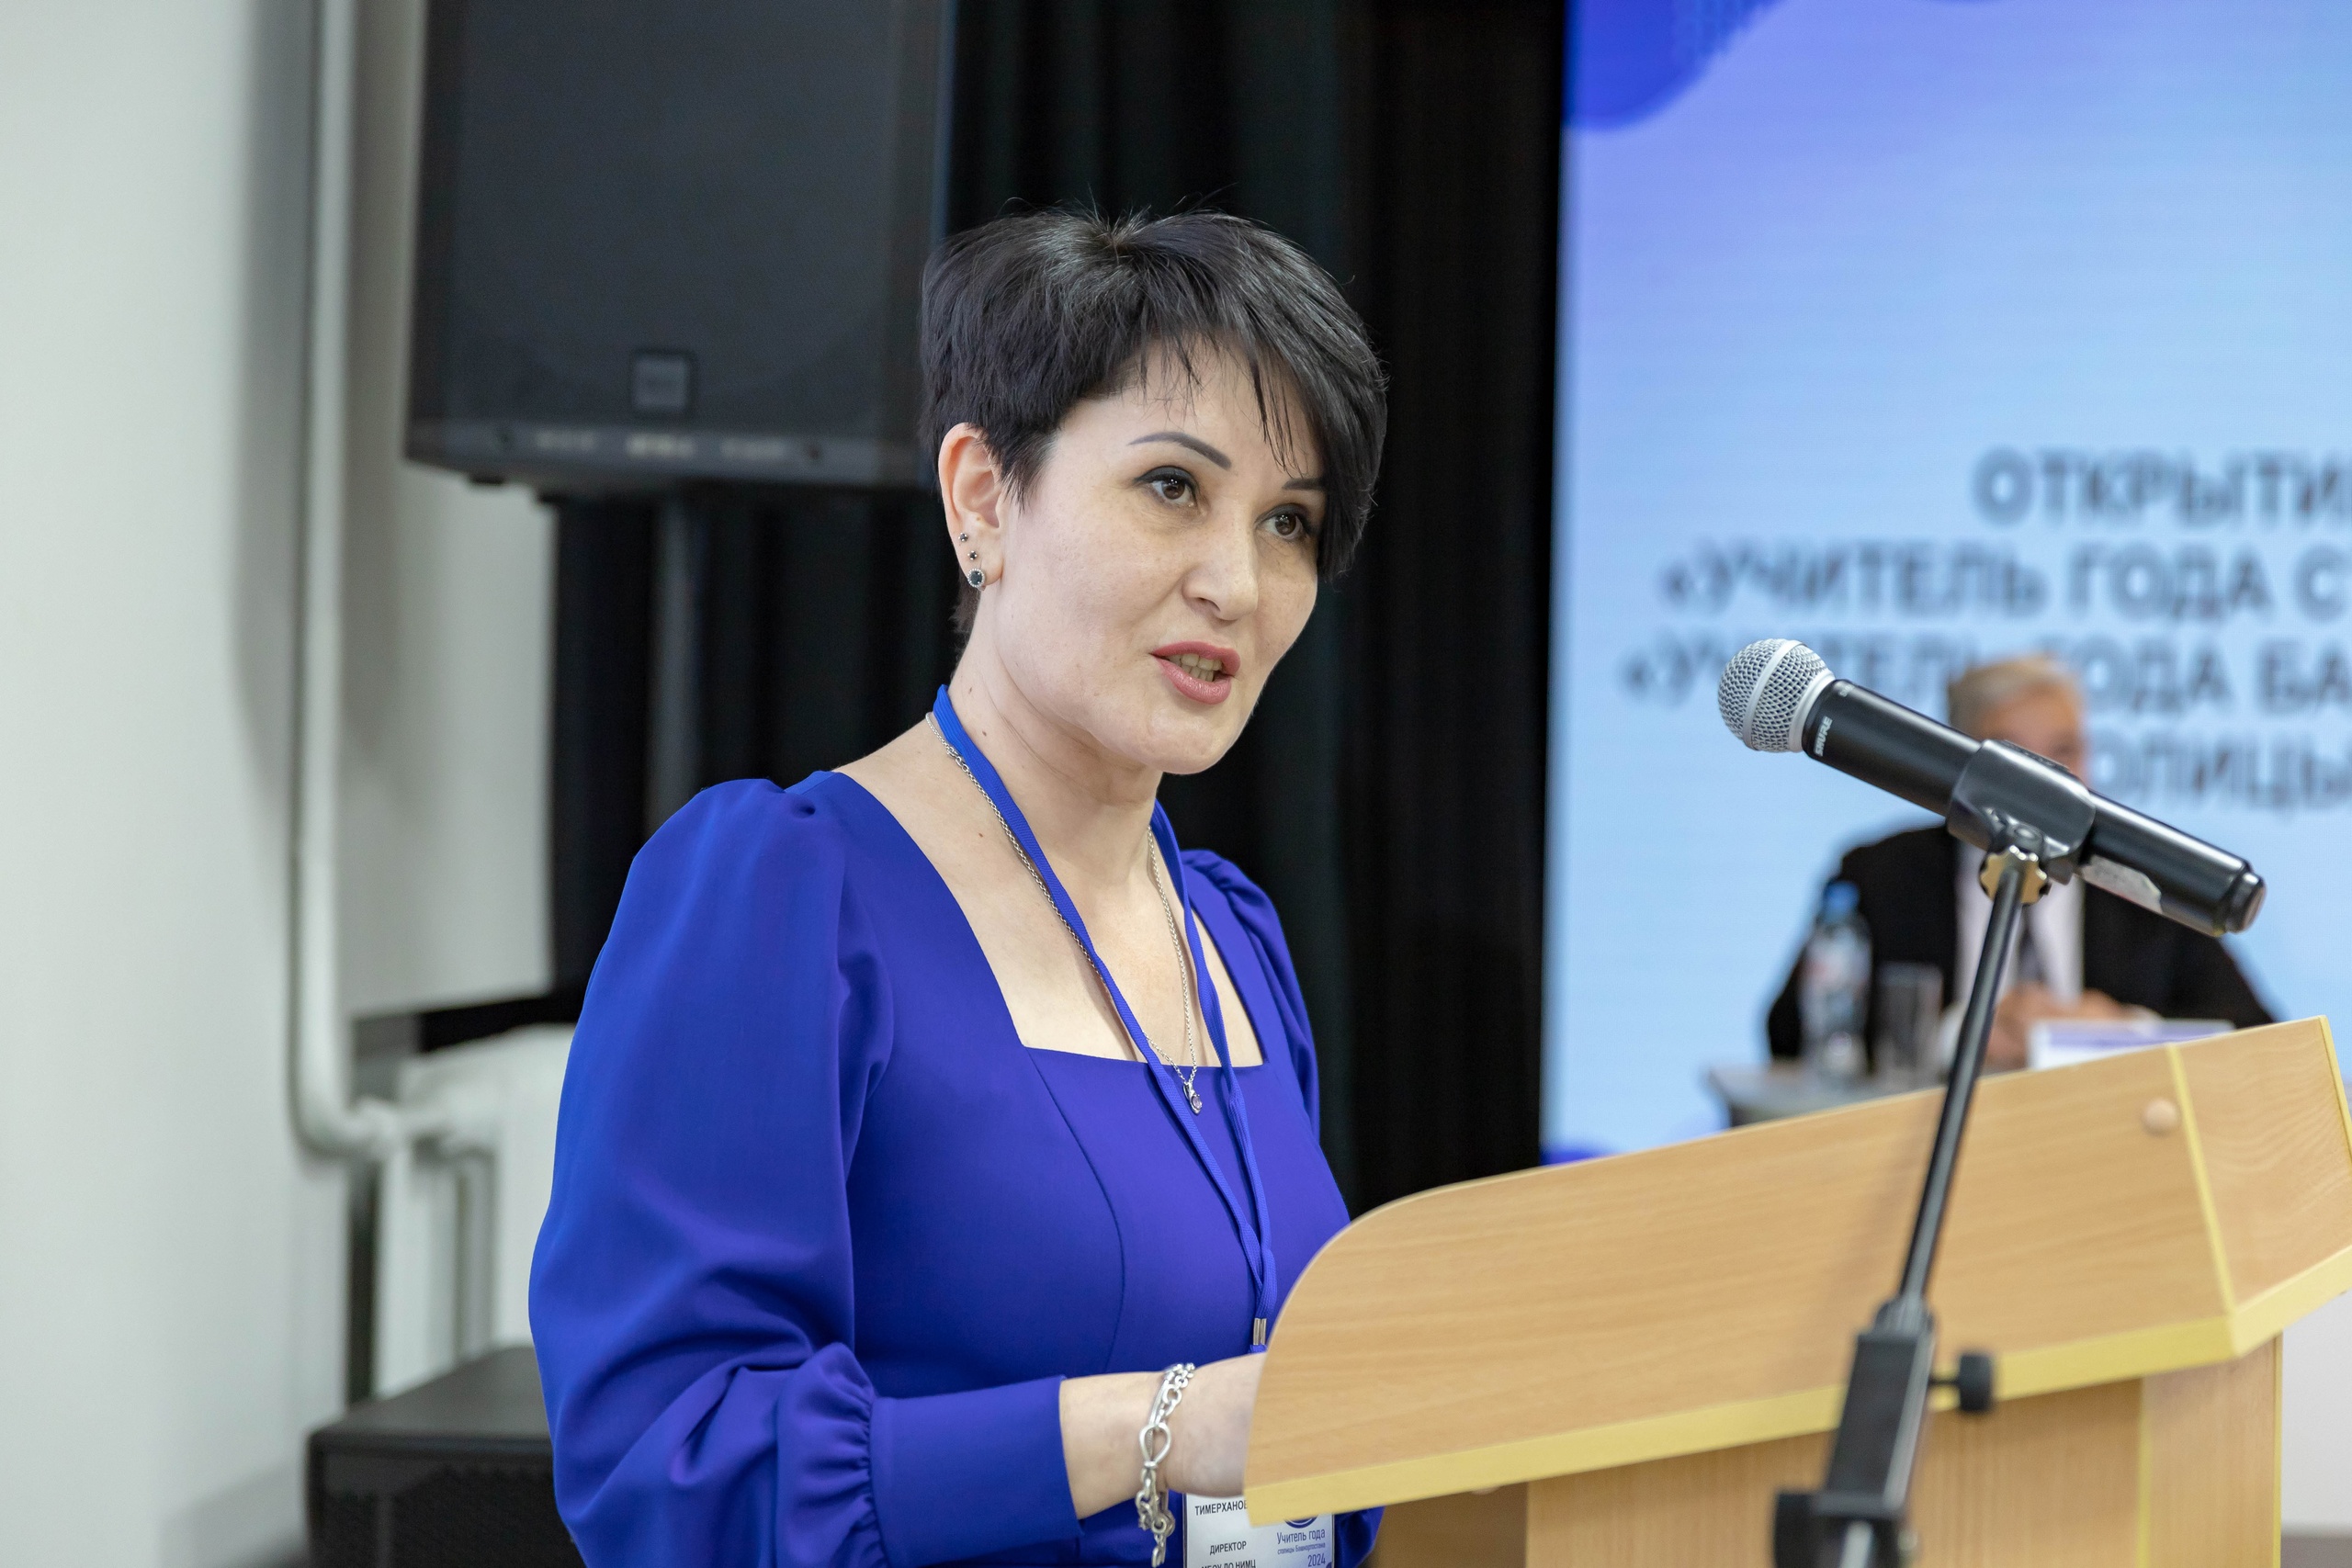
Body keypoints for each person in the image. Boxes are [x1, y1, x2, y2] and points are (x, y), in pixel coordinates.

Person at [529, 209, 1387, 1568]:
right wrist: (1160, 1429)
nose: (1236, 582)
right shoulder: (785, 893)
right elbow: (675, 1470)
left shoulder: (1234, 932)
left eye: (1290, 522)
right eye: (1173, 485)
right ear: (984, 497)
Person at [1766, 655, 2271, 1072]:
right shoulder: (1882, 873)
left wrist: (2126, 1032)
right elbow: (1791, 1032)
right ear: (1957, 762)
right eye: (2014, 755)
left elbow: (2256, 1037)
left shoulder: (2146, 878)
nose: (2046, 780)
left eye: (2064, 751)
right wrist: (1958, 1035)